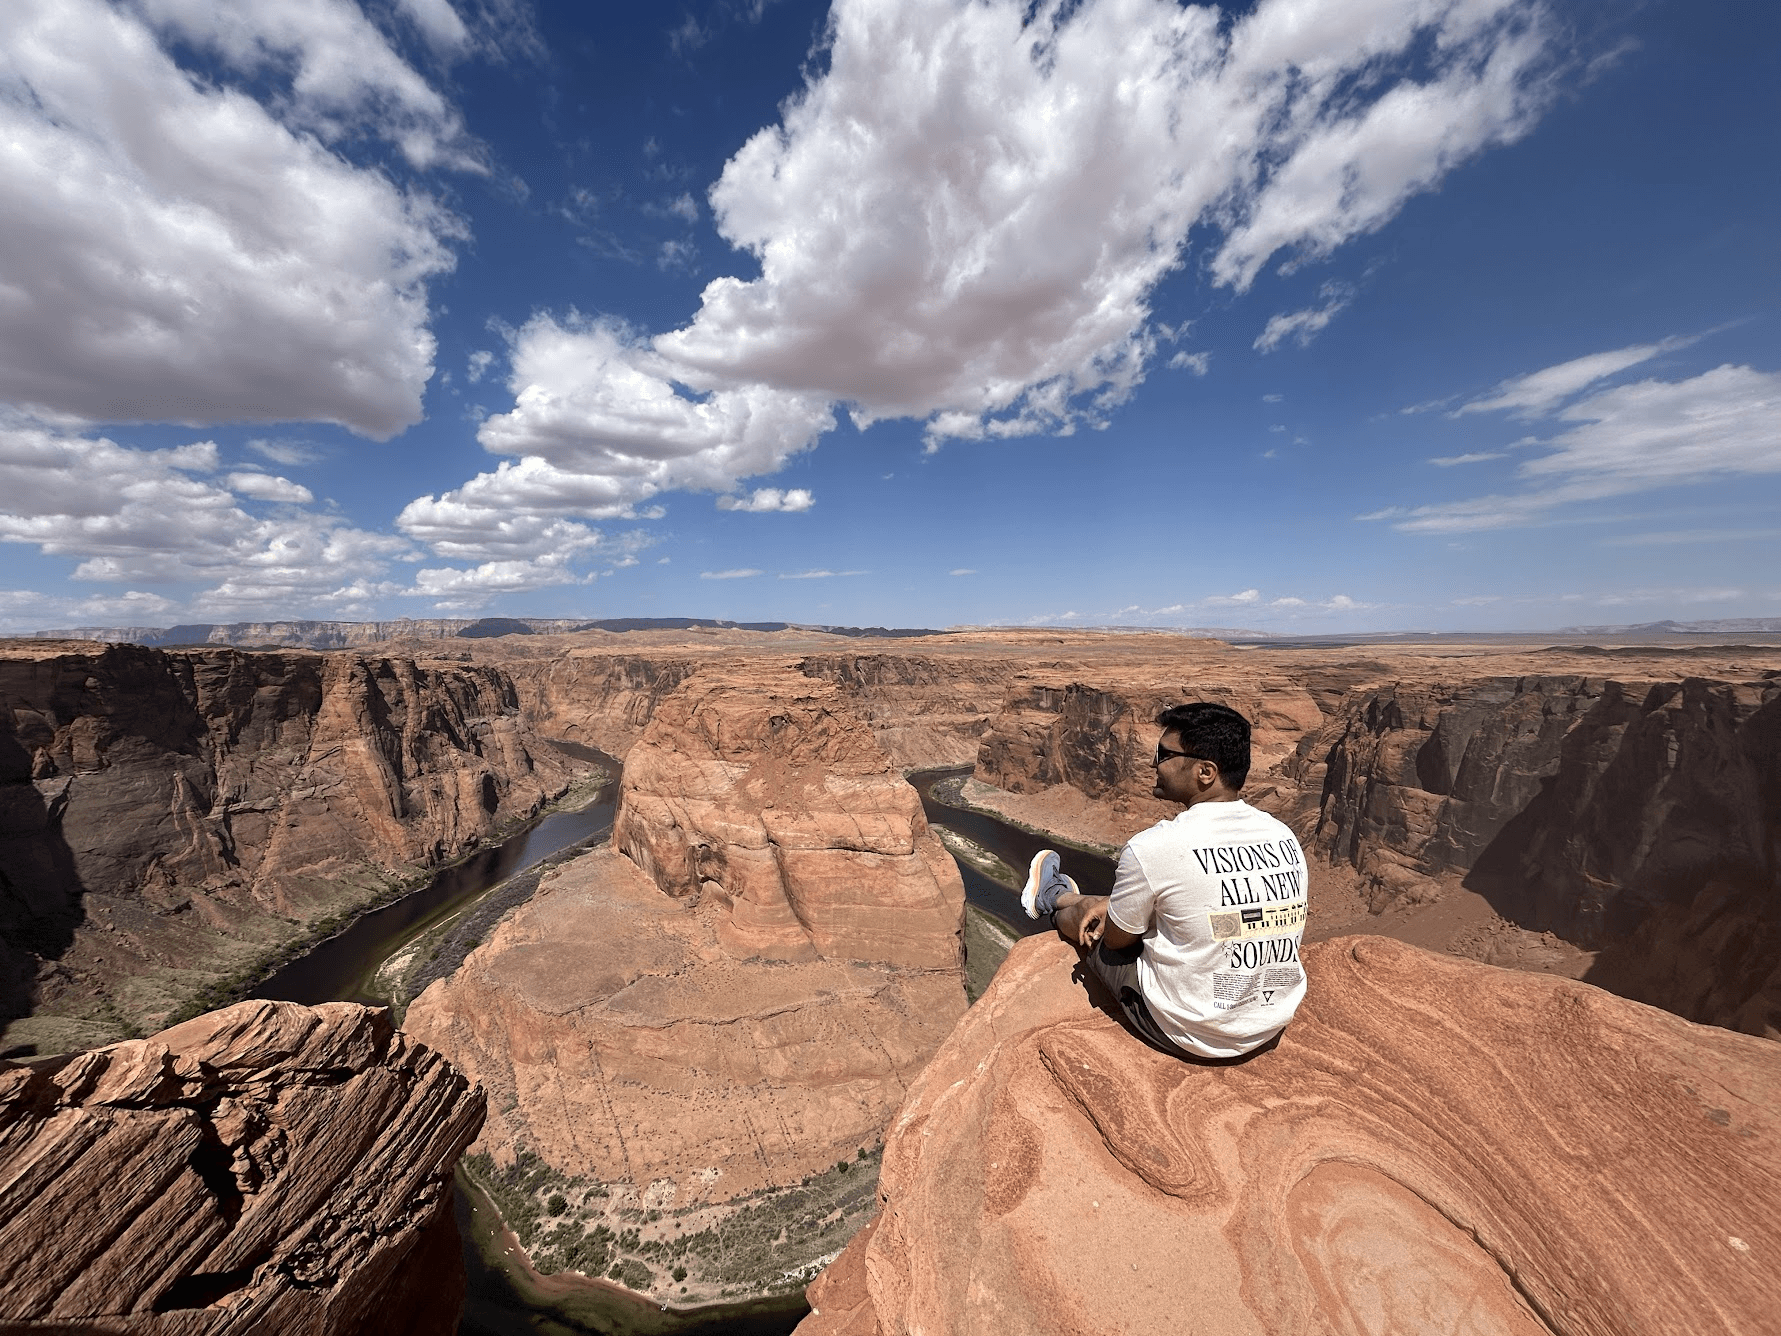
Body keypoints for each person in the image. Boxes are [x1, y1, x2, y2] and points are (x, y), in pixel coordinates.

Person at [1021, 701, 1307, 1061]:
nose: (1153, 764)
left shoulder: (1154, 846)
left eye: (1163, 753)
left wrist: (1113, 916)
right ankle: (1080, 897)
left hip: (1190, 1033)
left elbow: (1117, 940)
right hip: (1268, 1023)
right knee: (1135, 908)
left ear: (1205, 772)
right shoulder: (1283, 836)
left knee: (1090, 923)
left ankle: (1051, 900)